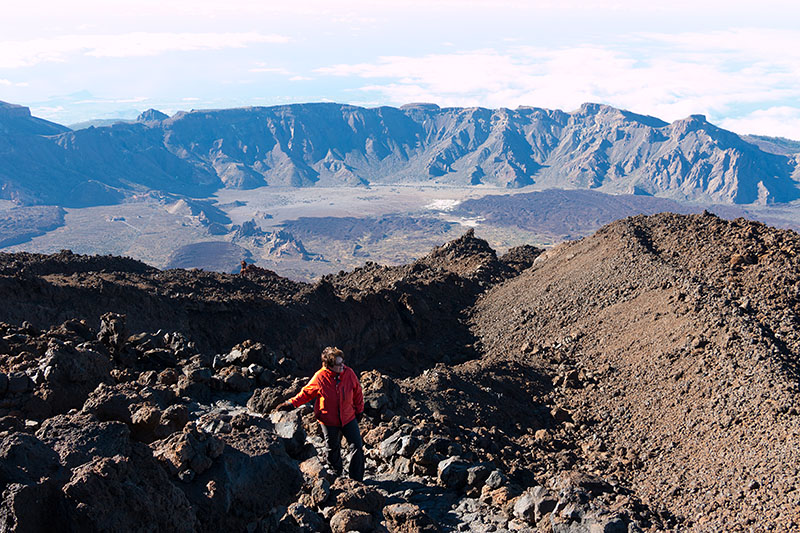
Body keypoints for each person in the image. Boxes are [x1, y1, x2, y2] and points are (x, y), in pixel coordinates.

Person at [276, 346, 365, 481]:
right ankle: (337, 476)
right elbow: (306, 393)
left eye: (343, 362)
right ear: (329, 365)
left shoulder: (349, 373)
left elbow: (357, 392)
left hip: (348, 417)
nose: (343, 366)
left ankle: (356, 479)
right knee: (332, 449)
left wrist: (359, 410)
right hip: (329, 420)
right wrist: (290, 404)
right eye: (339, 364)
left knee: (357, 446)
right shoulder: (320, 377)